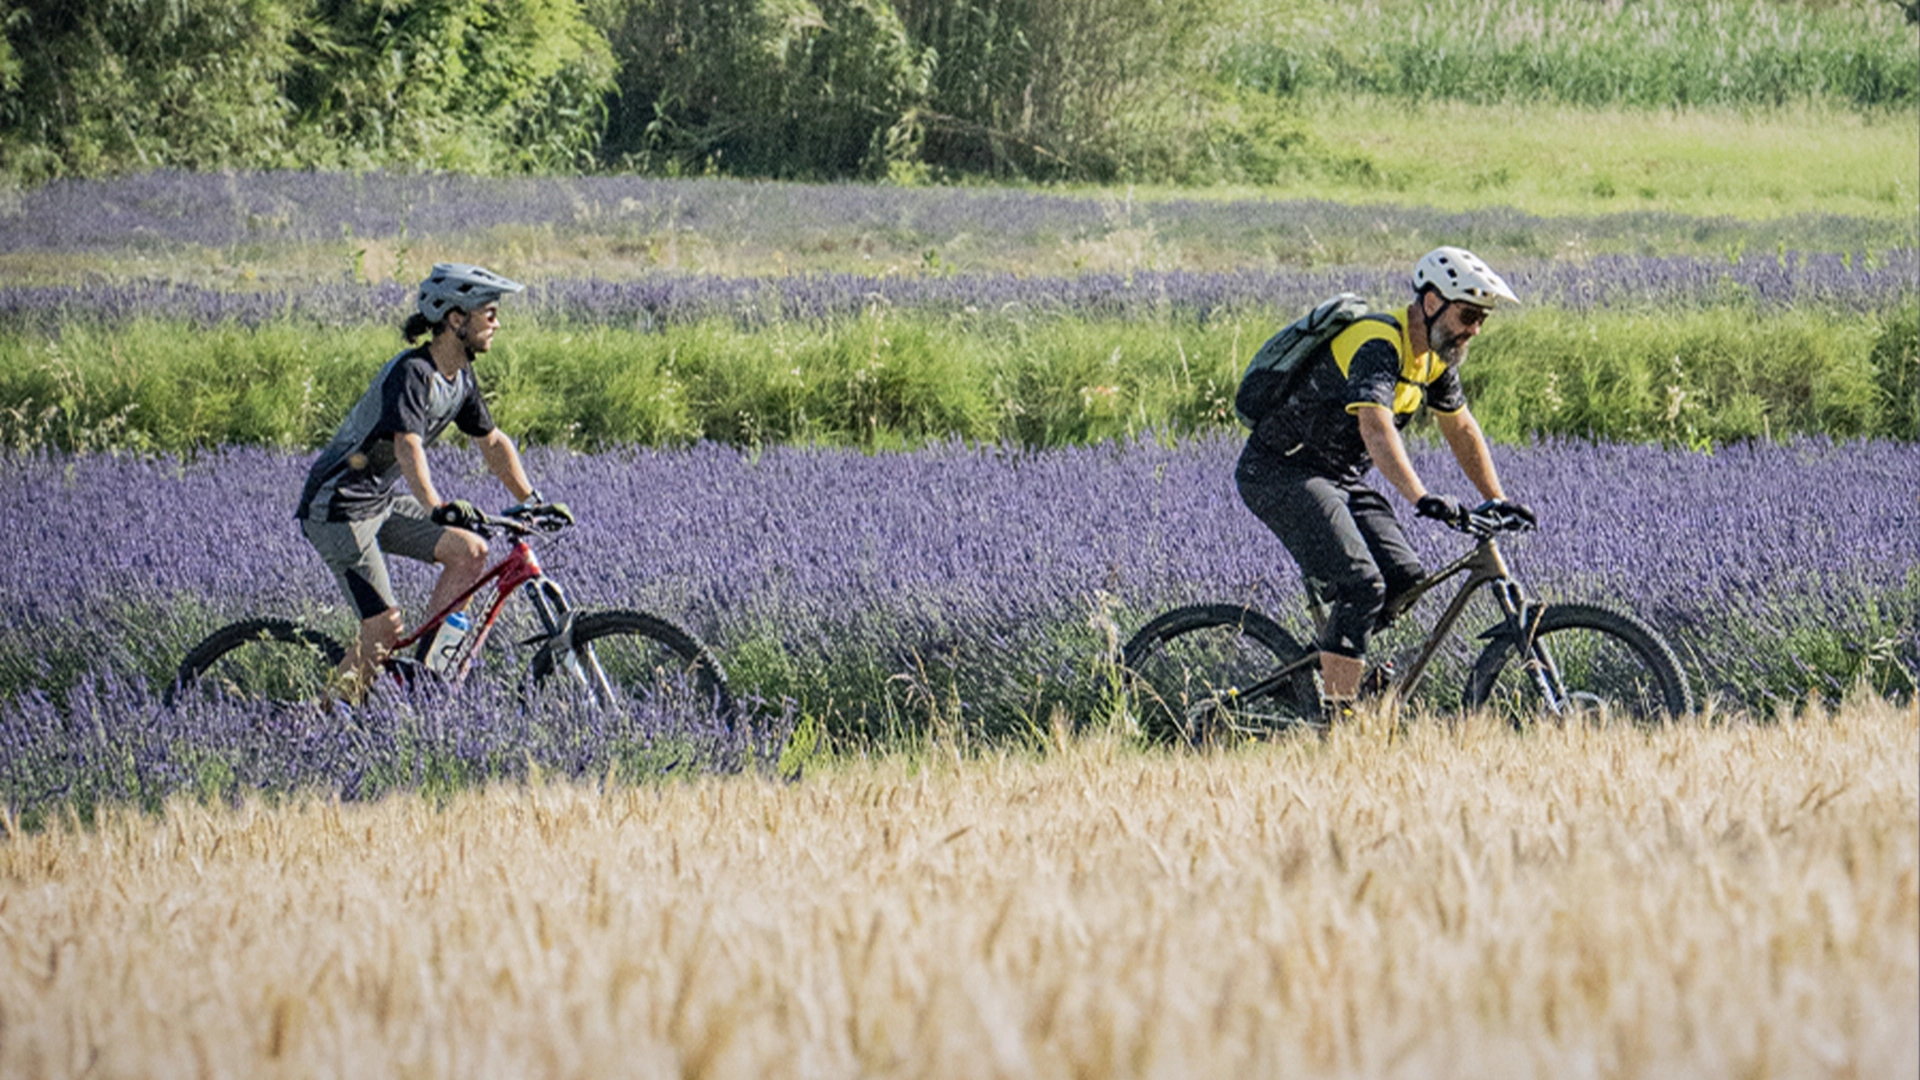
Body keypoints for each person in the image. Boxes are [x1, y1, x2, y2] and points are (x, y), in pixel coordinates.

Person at [1235, 246, 1534, 724]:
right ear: (1432, 301)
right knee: (1361, 584)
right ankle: (1338, 717)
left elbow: (1461, 428)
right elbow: (1376, 427)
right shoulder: (1377, 343)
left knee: (1404, 577)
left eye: (1482, 319)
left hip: (1340, 478)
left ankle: (1321, 671)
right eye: (1469, 314)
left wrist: (1495, 498)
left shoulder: (1433, 360)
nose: (1475, 328)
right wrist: (1422, 497)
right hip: (1281, 471)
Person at [296, 263, 565, 698]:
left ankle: (424, 685)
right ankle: (323, 718)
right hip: (337, 507)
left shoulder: (458, 378)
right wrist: (435, 507)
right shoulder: (413, 373)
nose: (497, 323)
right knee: (383, 628)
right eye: (489, 313)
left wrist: (532, 499)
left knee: (471, 551)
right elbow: (408, 446)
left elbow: (492, 442)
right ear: (456, 319)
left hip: (377, 502)